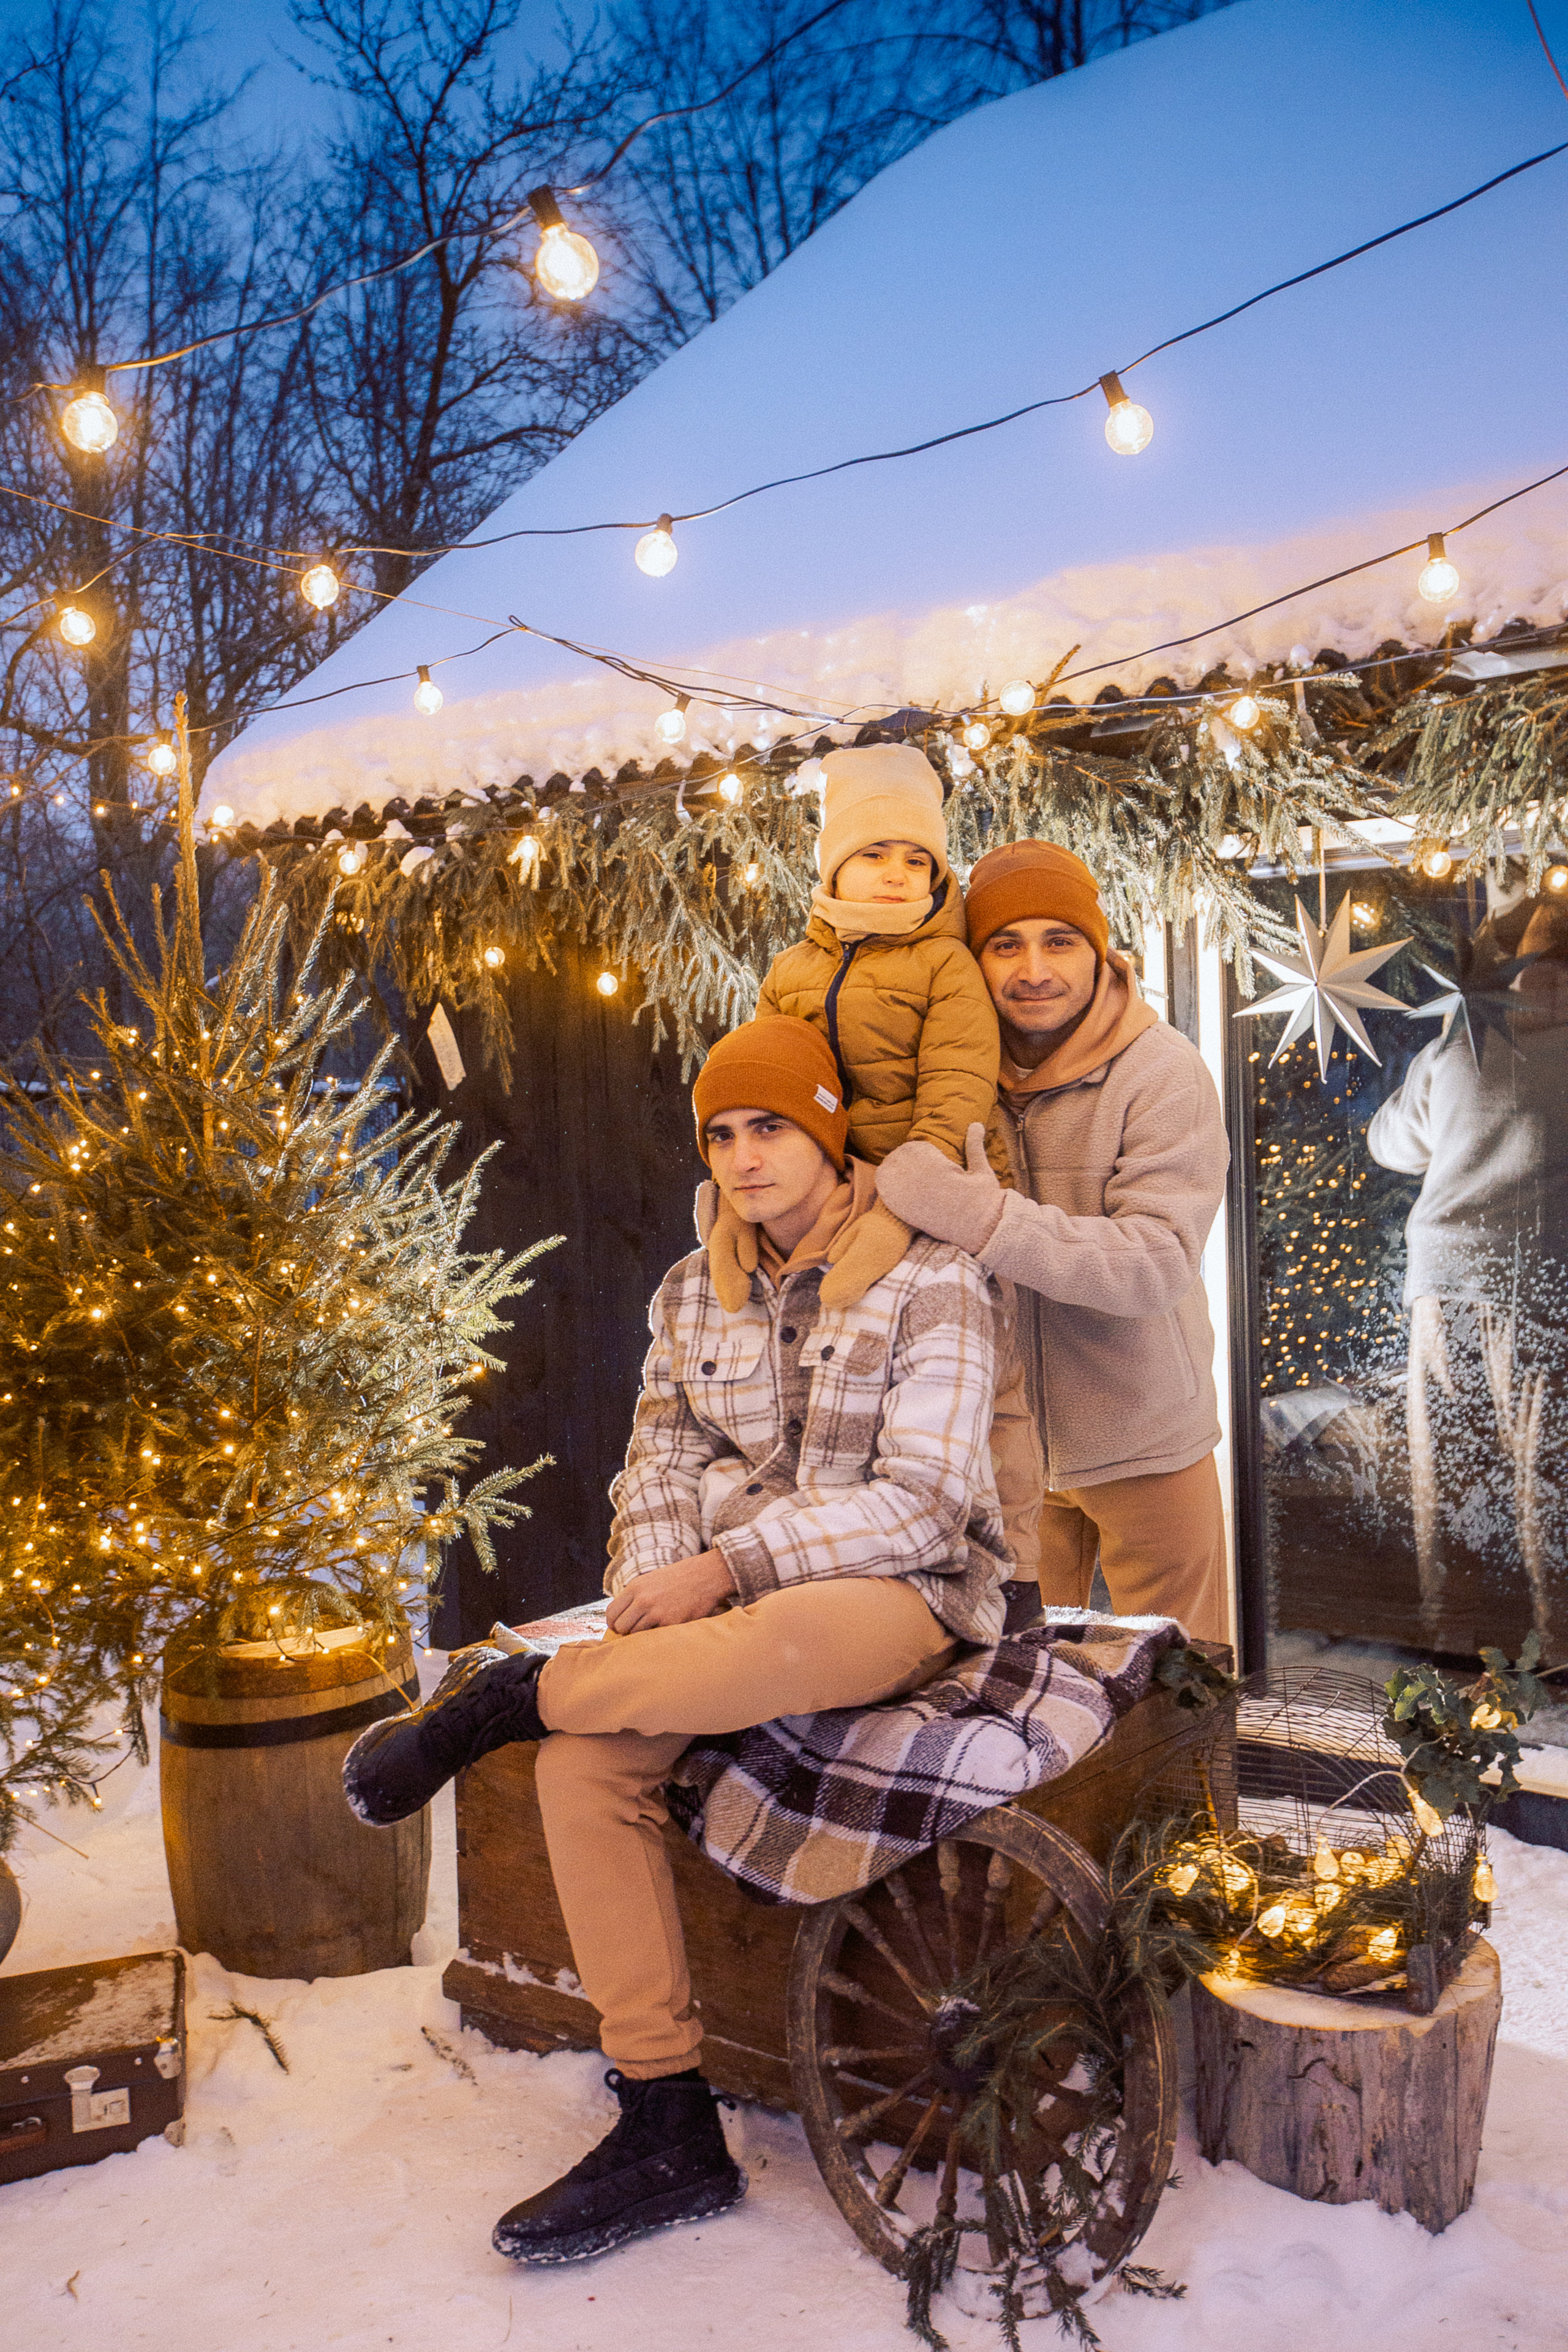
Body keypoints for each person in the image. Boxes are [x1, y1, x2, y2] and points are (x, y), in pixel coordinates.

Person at [344, 1014, 1009, 2265]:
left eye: (772, 1128)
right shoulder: (691, 1291)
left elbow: (924, 1503)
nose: (744, 1157)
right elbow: (657, 1466)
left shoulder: (935, 1280)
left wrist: (730, 1567)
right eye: (721, 1135)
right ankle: (665, 2120)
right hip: (720, 1610)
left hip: (890, 1589)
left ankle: (508, 1695)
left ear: (827, 1136)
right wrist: (660, 1581)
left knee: (776, 1637)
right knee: (581, 1766)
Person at [876, 839, 1231, 1646]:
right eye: (1006, 945)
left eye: (1059, 941)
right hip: (998, 1448)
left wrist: (988, 1221)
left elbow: (1156, 1264)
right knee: (1016, 1679)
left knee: (1185, 1684)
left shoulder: (1161, 1072)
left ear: (1097, 949)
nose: (1034, 969)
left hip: (1146, 1439)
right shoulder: (950, 1079)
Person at [1367, 889, 1568, 1647]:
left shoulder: (1461, 1043)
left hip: (1446, 1282)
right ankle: (1556, 1656)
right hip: (1547, 1280)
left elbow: (1390, 1143)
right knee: (1549, 1479)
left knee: (1453, 1474)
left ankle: (1461, 1652)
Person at [744, 740, 1008, 1311]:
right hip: (827, 1193)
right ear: (836, 867)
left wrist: (899, 1210)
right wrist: (750, 1203)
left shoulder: (944, 962)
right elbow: (764, 1088)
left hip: (931, 1191)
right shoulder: (790, 971)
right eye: (874, 855)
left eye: (917, 861)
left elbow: (957, 1090)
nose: (897, 875)